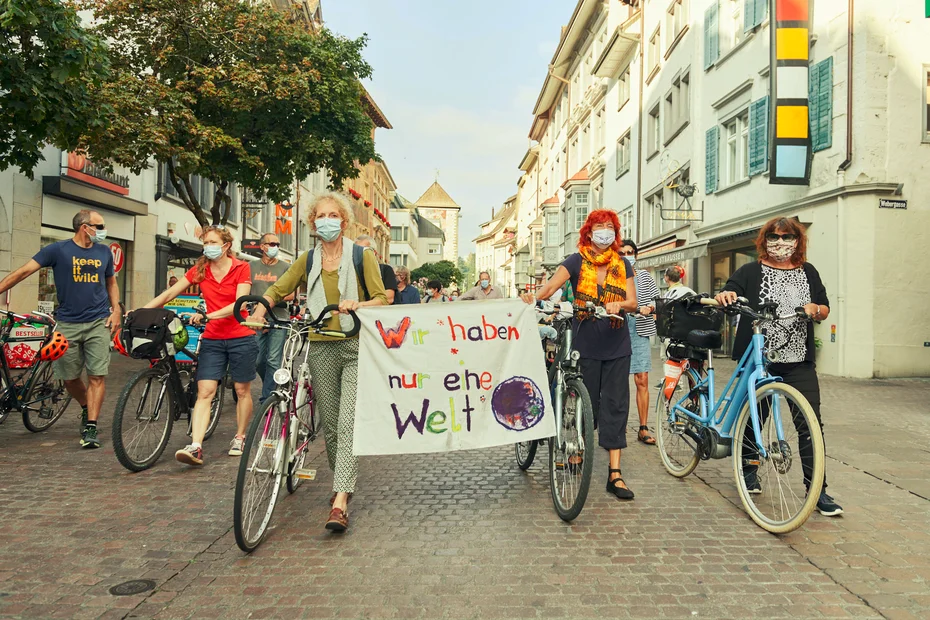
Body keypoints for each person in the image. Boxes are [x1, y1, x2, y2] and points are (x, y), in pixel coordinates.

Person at [248, 191, 387, 533]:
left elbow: (383, 298)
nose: (327, 221)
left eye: (333, 215)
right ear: (313, 223)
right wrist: (259, 309)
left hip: (354, 345)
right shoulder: (308, 259)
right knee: (333, 422)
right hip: (320, 344)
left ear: (343, 220)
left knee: (348, 422)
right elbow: (279, 288)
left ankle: (340, 500)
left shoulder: (361, 256)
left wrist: (359, 305)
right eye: (320, 216)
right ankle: (343, 479)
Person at [715, 216, 842, 516]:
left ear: (797, 241)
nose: (781, 243)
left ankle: (817, 490)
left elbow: (824, 307)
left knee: (810, 423)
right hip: (762, 358)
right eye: (775, 237)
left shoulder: (808, 271)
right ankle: (749, 470)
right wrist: (726, 294)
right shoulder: (750, 270)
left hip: (798, 359)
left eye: (787, 237)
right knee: (755, 417)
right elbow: (730, 289)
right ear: (765, 240)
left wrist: (815, 309)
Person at [522, 209, 638, 500]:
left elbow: (633, 301)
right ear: (589, 231)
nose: (605, 232)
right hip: (585, 343)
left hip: (617, 344)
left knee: (616, 406)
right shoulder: (576, 261)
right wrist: (532, 298)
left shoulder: (623, 264)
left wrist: (619, 305)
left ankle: (615, 474)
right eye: (600, 227)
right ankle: (578, 451)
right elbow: (549, 288)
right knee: (588, 407)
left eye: (610, 227)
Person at [0, 209, 121, 449]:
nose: (103, 230)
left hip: (98, 321)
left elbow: (111, 282)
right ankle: (86, 406)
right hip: (67, 322)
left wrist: (116, 310)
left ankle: (91, 426)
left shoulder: (104, 252)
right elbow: (24, 271)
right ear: (84, 227)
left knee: (97, 375)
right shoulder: (57, 250)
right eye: (99, 226)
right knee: (69, 377)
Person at [143, 226, 256, 466]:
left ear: (226, 245)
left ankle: (240, 436)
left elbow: (240, 303)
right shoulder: (200, 270)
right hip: (213, 338)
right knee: (205, 391)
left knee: (242, 390)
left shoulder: (241, 267)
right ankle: (196, 446)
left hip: (240, 336)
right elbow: (170, 293)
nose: (208, 247)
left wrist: (209, 315)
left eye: (213, 242)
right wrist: (143, 310)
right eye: (205, 242)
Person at [619, 240, 661, 446]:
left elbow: (656, 299)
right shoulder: (613, 275)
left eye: (630, 252)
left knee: (642, 379)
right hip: (616, 329)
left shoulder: (644, 275)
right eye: (623, 252)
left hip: (639, 328)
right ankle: (619, 423)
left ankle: (643, 427)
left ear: (636, 254)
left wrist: (650, 309)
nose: (627, 255)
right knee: (618, 381)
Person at [249, 233, 293, 403]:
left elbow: (290, 295)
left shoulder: (284, 267)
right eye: (271, 243)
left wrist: (268, 301)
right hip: (256, 318)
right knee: (258, 360)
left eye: (277, 243)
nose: (275, 246)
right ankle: (274, 382)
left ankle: (266, 399)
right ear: (262, 247)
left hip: (279, 318)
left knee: (273, 359)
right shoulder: (251, 266)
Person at [355, 235, 398, 304]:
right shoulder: (351, 269)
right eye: (356, 250)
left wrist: (360, 305)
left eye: (364, 250)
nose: (359, 253)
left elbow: (389, 298)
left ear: (374, 252)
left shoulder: (385, 270)